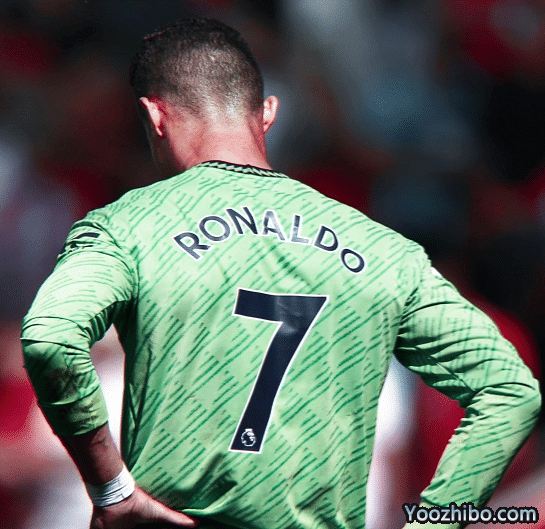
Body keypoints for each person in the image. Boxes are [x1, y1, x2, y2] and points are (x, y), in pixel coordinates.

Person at [21, 18, 540, 529]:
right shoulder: (383, 250)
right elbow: (509, 390)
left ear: (154, 116)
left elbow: (49, 339)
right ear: (267, 113)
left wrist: (110, 487)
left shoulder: (129, 226)